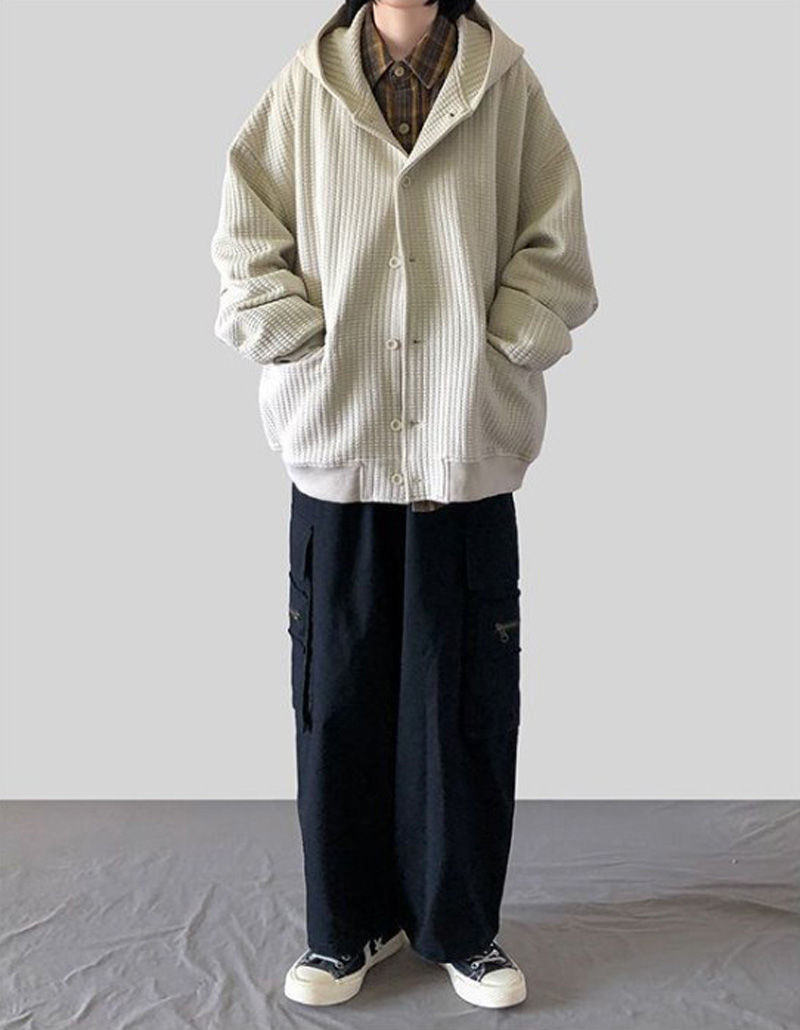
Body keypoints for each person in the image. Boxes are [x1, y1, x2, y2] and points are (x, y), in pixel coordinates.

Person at [210, 0, 598, 1010]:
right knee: (338, 691)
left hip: (464, 443)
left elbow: (554, 237)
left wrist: (502, 343)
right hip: (338, 439)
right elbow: (245, 234)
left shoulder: (503, 85)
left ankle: (463, 928)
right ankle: (347, 928)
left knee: (461, 697)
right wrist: (298, 339)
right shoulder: (305, 88)